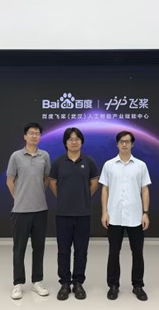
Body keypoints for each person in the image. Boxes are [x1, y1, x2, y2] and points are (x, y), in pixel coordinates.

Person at [99, 130, 151, 301]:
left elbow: (145, 190)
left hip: (136, 216)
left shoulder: (140, 165)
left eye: (127, 141)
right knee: (114, 252)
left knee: (138, 252)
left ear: (132, 144)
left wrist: (145, 213)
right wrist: (104, 212)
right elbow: (105, 189)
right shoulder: (109, 165)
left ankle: (138, 285)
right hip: (114, 216)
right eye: (121, 141)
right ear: (117, 144)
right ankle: (113, 285)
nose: (124, 144)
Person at [49, 127, 99, 300]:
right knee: (63, 250)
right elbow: (53, 184)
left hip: (83, 213)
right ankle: (64, 283)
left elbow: (94, 183)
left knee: (81, 250)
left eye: (77, 138)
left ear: (82, 142)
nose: (74, 141)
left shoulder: (89, 162)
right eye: (70, 139)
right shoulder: (58, 162)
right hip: (63, 214)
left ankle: (78, 282)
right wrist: (64, 197)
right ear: (65, 142)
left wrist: (82, 197)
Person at [6, 122, 51, 300]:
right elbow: (10, 180)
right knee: (19, 249)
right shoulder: (16, 156)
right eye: (31, 133)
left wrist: (37, 193)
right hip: (20, 211)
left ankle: (37, 281)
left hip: (40, 210)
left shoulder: (44, 156)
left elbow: (46, 179)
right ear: (25, 136)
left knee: (39, 248)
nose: (34, 136)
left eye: (37, 133)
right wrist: (18, 197)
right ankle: (17, 284)